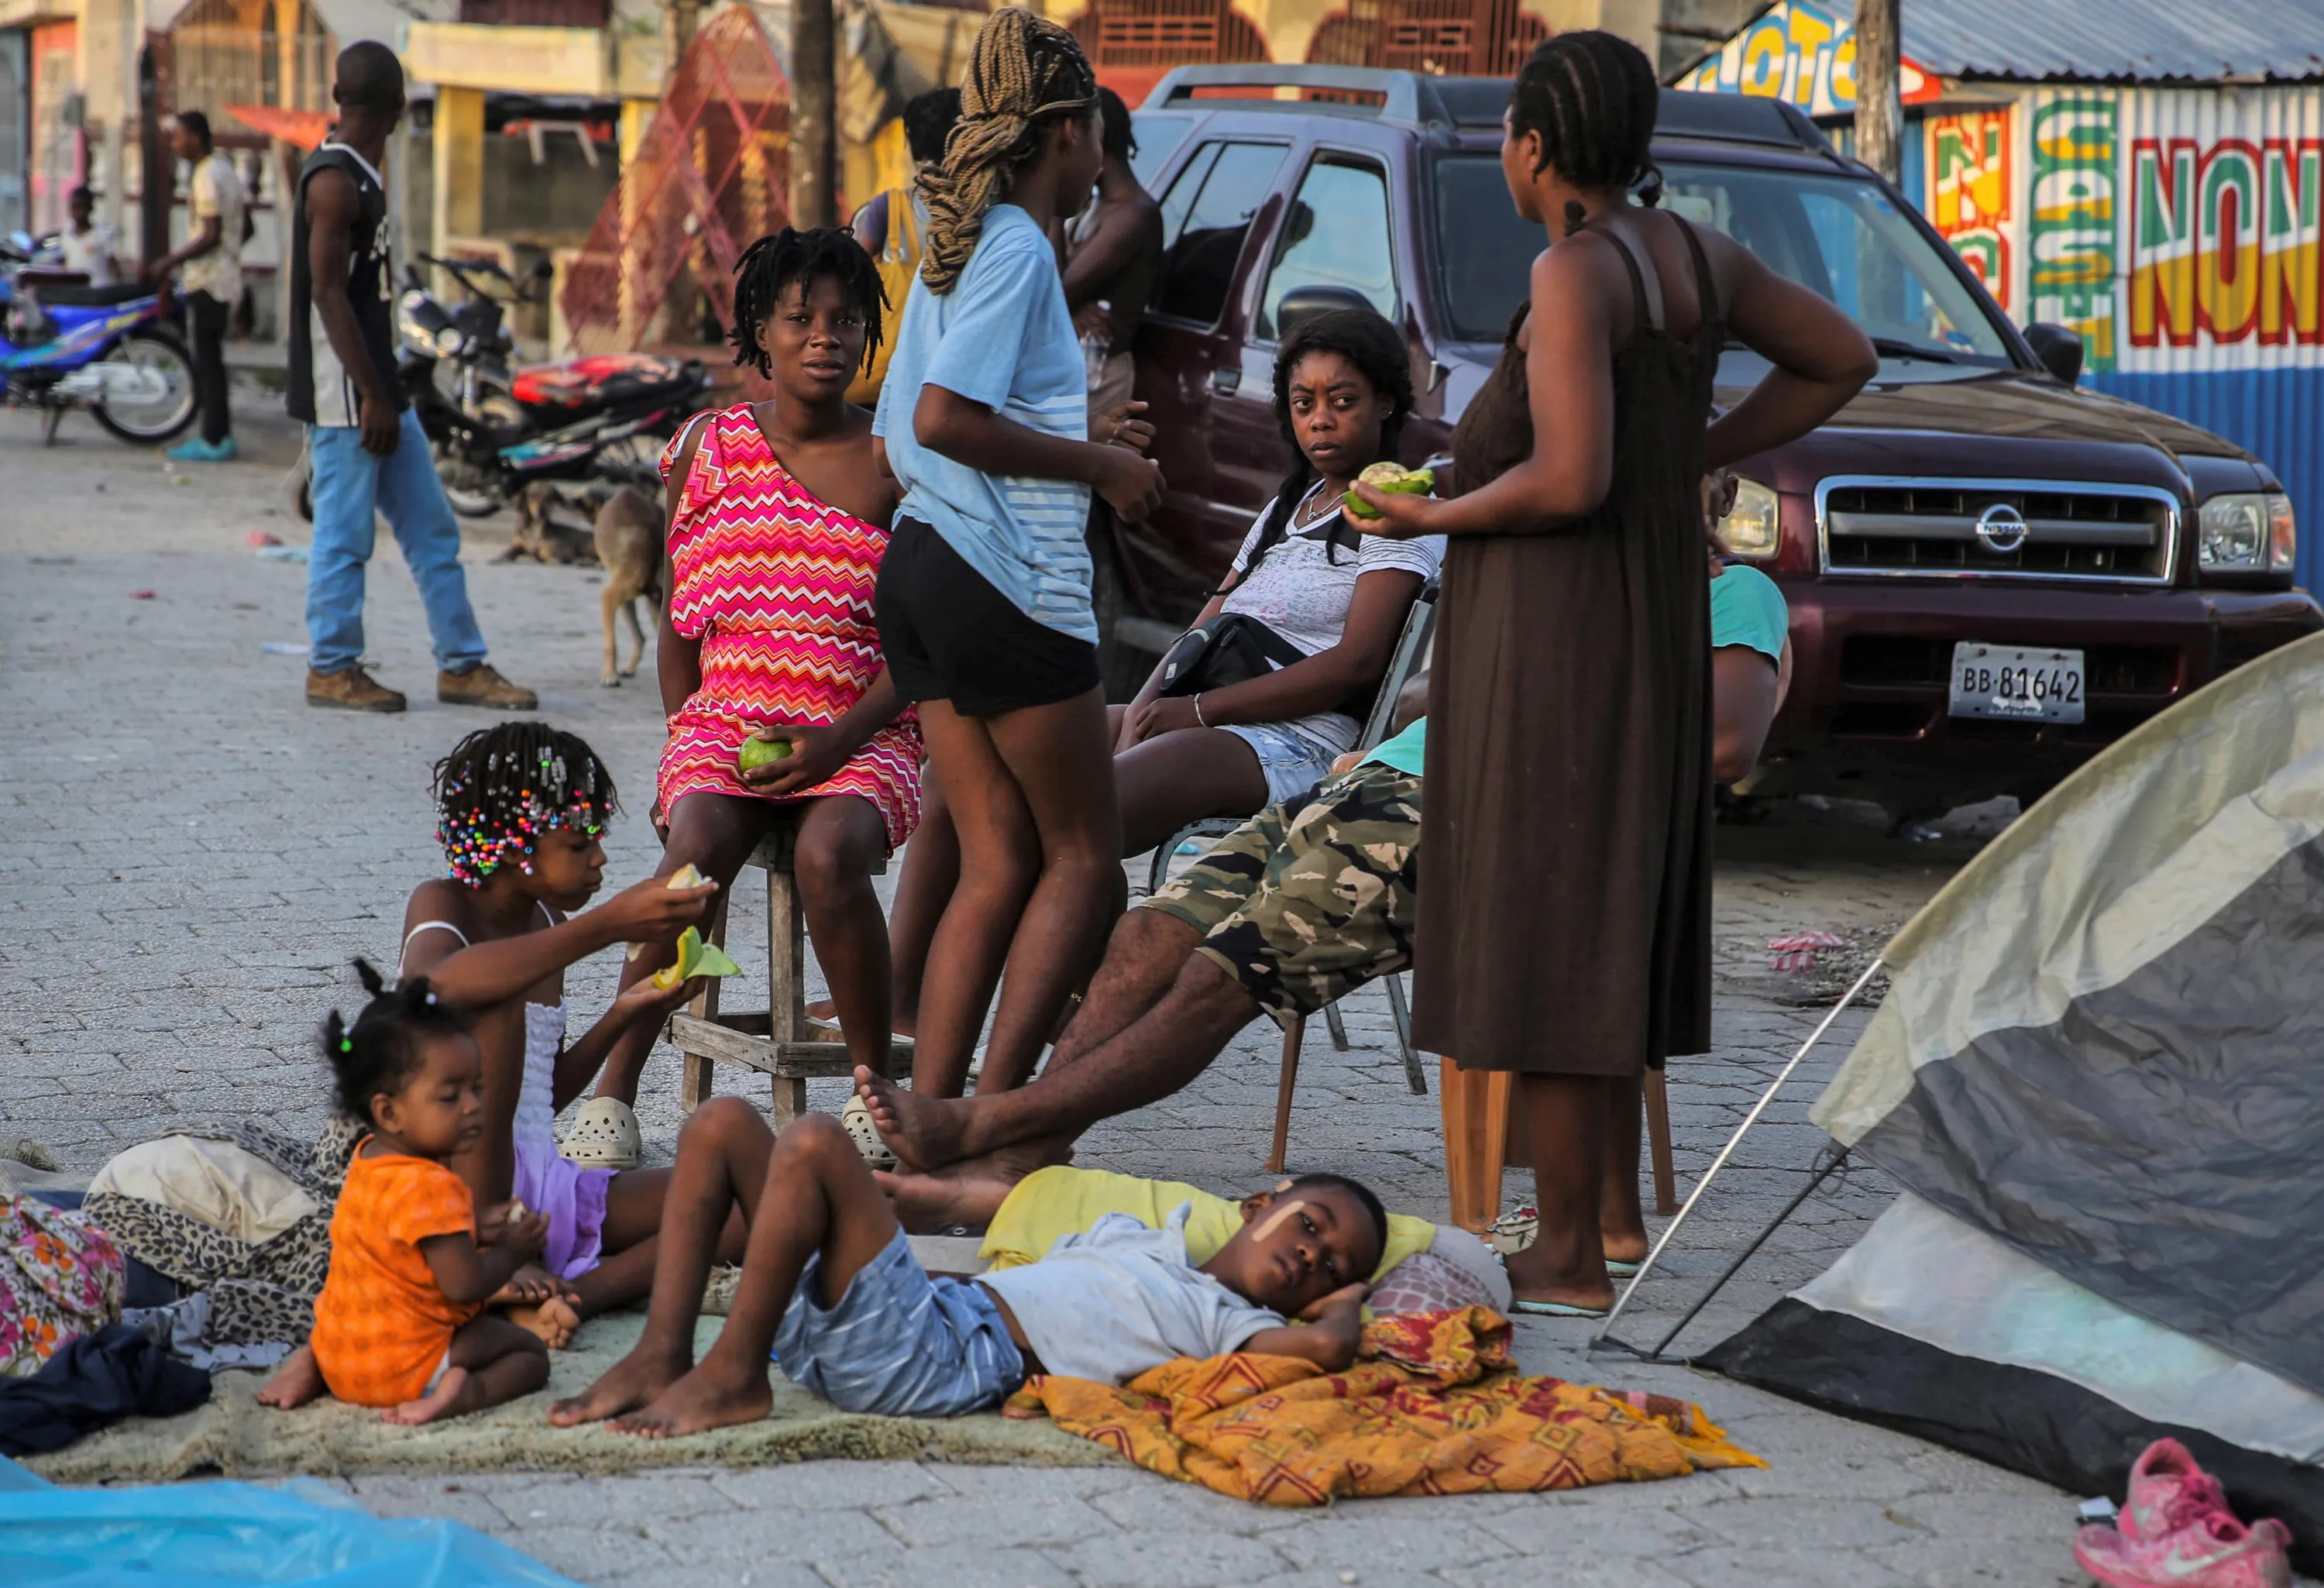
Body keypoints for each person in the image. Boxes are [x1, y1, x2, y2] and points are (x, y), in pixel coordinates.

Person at [1344, 32, 1873, 1315]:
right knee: (1599, 914)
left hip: (1563, 638)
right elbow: (1840, 356)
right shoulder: (1695, 254)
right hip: (1636, 619)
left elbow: (1568, 479)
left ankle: (1569, 1256)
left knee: (1556, 925)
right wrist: (1696, 450)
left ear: (1533, 146)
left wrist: (1430, 521)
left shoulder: (1575, 272)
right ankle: (1608, 1223)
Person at [855, 530, 1796, 1245]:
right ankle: (1020, 1160)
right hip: (1369, 780)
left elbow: (1728, 745)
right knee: (1152, 933)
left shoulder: (1727, 591)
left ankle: (990, 1123)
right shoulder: (1567, 580)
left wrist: (1554, 706)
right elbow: (1430, 695)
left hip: (1477, 814)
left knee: (1224, 972)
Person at [848, 308, 1439, 1045]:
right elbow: (1205, 623)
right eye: (1303, 403)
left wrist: (1195, 714)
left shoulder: (1401, 511)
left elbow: (1355, 665)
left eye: (1343, 401)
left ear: (1387, 402)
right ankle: (902, 997)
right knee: (961, 774)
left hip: (1297, 739)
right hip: (1208, 704)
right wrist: (1151, 703)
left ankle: (1067, 1018)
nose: (1320, 421)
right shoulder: (1290, 504)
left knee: (1074, 820)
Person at [256, 723, 729, 1411]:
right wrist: (607, 926)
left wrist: (626, 1012)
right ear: (510, 848)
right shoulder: (441, 904)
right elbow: (436, 990)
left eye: (598, 839)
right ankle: (496, 1275)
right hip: (454, 1204)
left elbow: (538, 1096)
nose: (600, 860)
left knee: (735, 1195)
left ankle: (571, 1296)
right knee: (494, 998)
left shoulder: (541, 923)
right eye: (578, 844)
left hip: (542, 1188)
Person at [868, 8, 1162, 1101]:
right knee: (1085, 858)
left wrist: (1076, 442)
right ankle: (999, 1116)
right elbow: (943, 419)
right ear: (1064, 133)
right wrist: (1100, 469)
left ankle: (925, 1114)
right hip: (1008, 582)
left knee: (996, 859)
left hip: (925, 568)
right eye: (1092, 129)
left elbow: (906, 433)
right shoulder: (1017, 249)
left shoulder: (959, 242)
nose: (1101, 154)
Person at [545, 1096, 1384, 1438]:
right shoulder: (1138, 1235)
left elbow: (1325, 1353)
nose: (1312, 1253)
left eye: (1327, 1261)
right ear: (1255, 1203)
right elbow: (1021, 1278)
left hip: (942, 1358)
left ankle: (732, 1374)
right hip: (923, 1314)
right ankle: (662, 1350)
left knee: (813, 1143)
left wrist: (1345, 1299)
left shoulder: (1234, 1322)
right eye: (1311, 1224)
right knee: (723, 1122)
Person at [593, 228, 920, 1103]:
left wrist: (837, 739)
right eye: (800, 318)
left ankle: (871, 1090)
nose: (825, 336)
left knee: (827, 858)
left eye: (847, 320)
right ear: (760, 332)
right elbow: (676, 625)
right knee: (693, 851)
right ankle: (614, 1093)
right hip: (726, 727)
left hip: (864, 729)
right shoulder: (707, 447)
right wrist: (682, 745)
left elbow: (925, 647)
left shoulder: (895, 463)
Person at [287, 43, 535, 716]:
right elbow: (329, 295)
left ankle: (462, 665)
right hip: (346, 396)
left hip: (379, 387)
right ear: (398, 105)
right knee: (344, 535)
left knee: (431, 529)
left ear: (340, 95)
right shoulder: (334, 181)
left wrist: (387, 389)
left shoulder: (363, 172)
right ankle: (331, 668)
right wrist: (370, 393)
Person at [306, 961, 552, 1425]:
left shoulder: (368, 1160)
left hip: (341, 1363)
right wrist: (511, 1250)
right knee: (529, 1355)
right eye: (450, 1096)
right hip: (405, 1367)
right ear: (390, 1112)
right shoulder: (432, 1185)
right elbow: (463, 1286)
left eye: (476, 1088)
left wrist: (475, 1227)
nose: (474, 1106)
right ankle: (464, 1393)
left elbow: (400, 1240)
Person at [145, 112, 244, 463]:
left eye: (180, 137)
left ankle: (214, 438)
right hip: (226, 277)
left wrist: (170, 261)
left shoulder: (206, 175)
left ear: (197, 138)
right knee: (211, 362)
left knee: (207, 363)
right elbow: (243, 229)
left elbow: (211, 234)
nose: (176, 144)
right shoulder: (226, 169)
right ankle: (220, 435)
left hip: (209, 281)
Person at [1061, 87, 1160, 422]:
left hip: (1101, 375)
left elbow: (1057, 289)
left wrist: (1067, 305)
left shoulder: (1133, 214)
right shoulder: (1093, 204)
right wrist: (1072, 312)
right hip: (1075, 367)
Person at [57, 186, 118, 288]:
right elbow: (64, 266)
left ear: (90, 208)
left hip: (99, 294)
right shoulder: (67, 235)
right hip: (76, 295)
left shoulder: (102, 234)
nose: (78, 213)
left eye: (81, 207)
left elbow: (115, 268)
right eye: (74, 207)